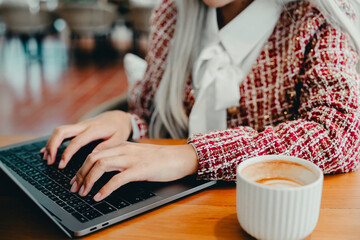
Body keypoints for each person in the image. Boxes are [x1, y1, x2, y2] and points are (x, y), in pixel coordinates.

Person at [41, 0, 360, 202]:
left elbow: (340, 134)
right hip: (172, 208)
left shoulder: (318, 16)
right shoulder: (172, 12)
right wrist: (128, 122)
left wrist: (192, 156)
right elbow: (159, 118)